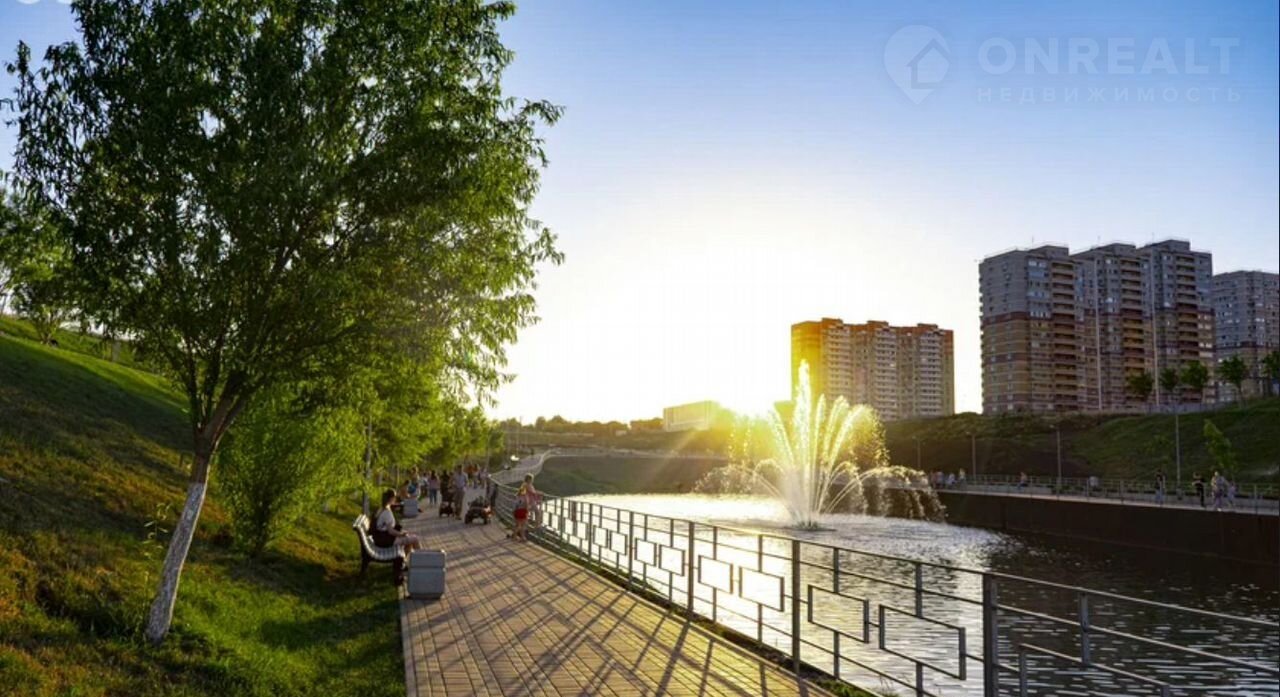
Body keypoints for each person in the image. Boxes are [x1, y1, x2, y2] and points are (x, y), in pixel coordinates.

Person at [375, 489, 420, 553]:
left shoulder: (382, 509)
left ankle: (407, 558)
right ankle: (420, 558)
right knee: (415, 539)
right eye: (395, 497)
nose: (396, 499)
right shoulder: (387, 512)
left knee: (409, 540)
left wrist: (401, 533)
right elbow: (391, 531)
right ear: (391, 498)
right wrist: (401, 534)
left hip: (381, 538)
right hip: (386, 540)